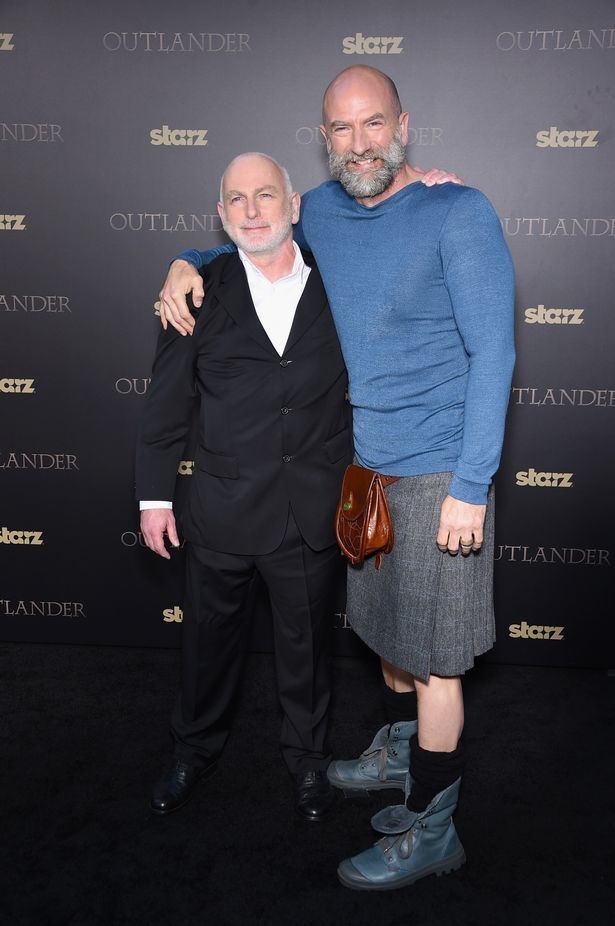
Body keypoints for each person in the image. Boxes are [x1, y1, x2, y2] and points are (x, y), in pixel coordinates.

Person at [156, 66, 515, 891]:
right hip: (366, 472)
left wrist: (471, 483)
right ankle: (402, 756)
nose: (359, 144)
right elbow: (249, 237)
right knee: (389, 645)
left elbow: (494, 354)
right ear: (324, 140)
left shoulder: (458, 211)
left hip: (438, 475)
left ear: (403, 125)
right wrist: (185, 262)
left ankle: (434, 829)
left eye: (373, 124)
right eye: (341, 130)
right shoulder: (319, 210)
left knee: (435, 664)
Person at [136, 152, 353, 822]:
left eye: (266, 196)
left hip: (310, 510)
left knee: (307, 654)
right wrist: (153, 498)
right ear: (221, 213)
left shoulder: (343, 280)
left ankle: (308, 765)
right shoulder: (195, 290)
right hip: (222, 510)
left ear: (294, 206)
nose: (252, 210)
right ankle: (192, 751)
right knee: (206, 646)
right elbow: (166, 406)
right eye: (236, 199)